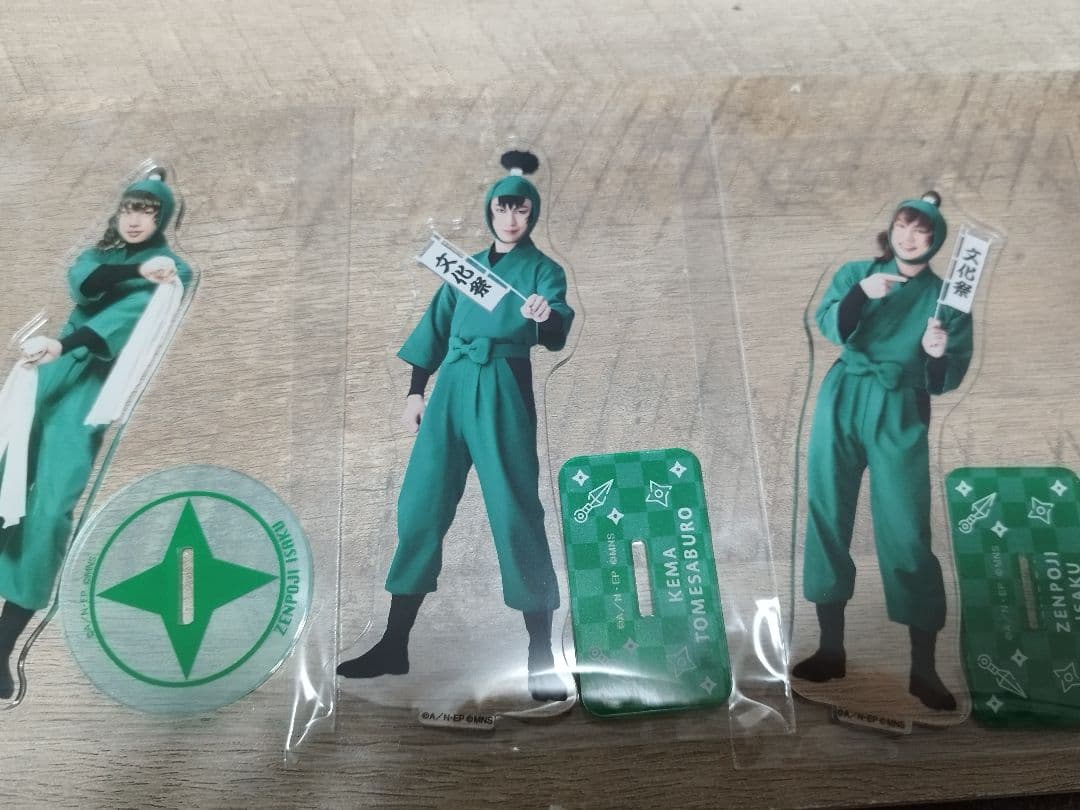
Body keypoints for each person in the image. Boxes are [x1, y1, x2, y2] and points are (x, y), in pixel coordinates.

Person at [337, 150, 574, 701]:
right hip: (451, 385)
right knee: (419, 505)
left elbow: (557, 325)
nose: (510, 218)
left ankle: (541, 654)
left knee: (515, 512)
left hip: (503, 384)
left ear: (532, 214)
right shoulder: (465, 270)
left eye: (520, 209)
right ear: (490, 210)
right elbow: (436, 326)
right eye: (502, 207)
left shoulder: (543, 271)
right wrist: (415, 392)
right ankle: (394, 643)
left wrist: (545, 317)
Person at [0, 170, 192, 700]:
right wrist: (135, 269)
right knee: (4, 475)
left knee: (51, 509)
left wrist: (69, 343)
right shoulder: (101, 257)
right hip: (45, 372)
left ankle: (2, 643)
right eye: (130, 207)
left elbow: (136, 316)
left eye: (148, 210)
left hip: (92, 390)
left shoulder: (174, 269)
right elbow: (83, 283)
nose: (135, 218)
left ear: (162, 217)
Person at [793, 192, 972, 711]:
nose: (908, 236)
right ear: (891, 228)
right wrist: (861, 294)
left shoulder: (947, 299)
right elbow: (830, 324)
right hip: (844, 394)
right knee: (827, 514)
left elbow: (948, 374)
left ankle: (924, 670)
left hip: (901, 404)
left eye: (921, 229)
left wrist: (935, 355)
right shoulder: (858, 273)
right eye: (902, 225)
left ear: (935, 238)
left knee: (907, 530)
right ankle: (831, 651)